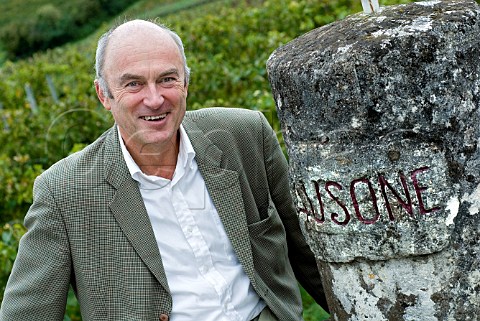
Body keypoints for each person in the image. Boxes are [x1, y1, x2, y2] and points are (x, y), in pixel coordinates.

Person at [0, 19, 328, 321]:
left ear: (185, 82)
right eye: (133, 84)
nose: (155, 99)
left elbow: (312, 252)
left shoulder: (244, 136)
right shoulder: (63, 191)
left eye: (167, 79)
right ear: (104, 94)